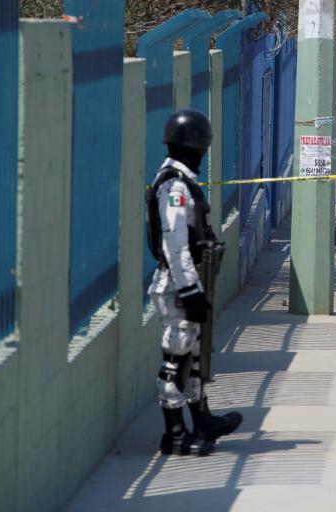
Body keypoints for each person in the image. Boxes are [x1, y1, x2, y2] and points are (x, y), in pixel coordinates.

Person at [146, 108, 243, 456]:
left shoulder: (180, 179)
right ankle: (174, 435)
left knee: (194, 359)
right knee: (176, 362)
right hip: (177, 287)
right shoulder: (174, 186)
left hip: (188, 284)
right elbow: (174, 243)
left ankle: (202, 421)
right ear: (195, 146)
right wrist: (190, 290)